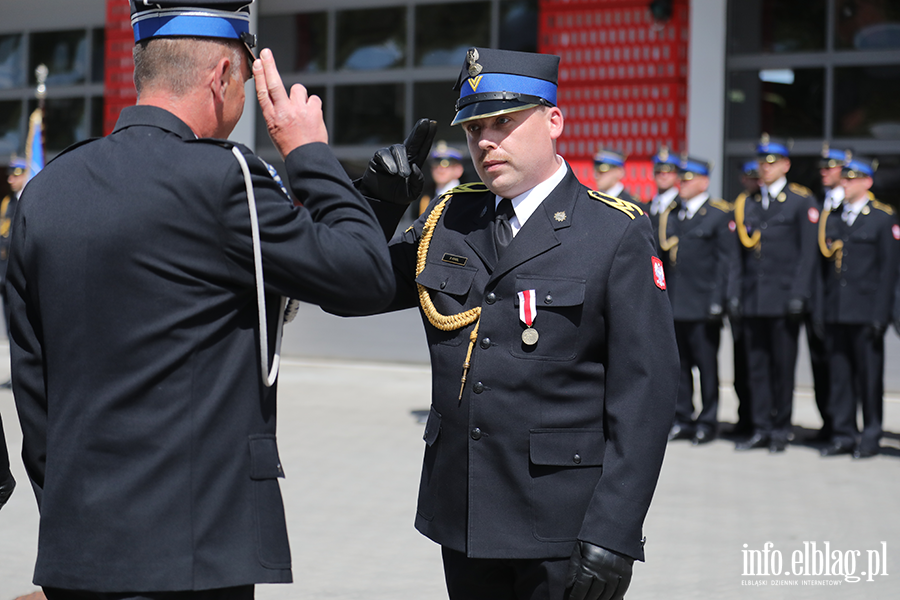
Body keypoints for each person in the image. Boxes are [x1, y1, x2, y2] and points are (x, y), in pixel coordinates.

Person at [7, 1, 394, 597]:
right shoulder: (226, 179)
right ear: (221, 77)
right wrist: (308, 152)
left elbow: (32, 382)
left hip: (80, 549)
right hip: (195, 555)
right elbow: (364, 274)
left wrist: (76, 513)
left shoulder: (46, 189)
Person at [353, 46, 679, 600]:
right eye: (476, 126)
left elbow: (645, 395)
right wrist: (376, 206)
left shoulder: (614, 232)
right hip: (464, 512)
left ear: (554, 120)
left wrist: (615, 531)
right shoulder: (450, 217)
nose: (485, 141)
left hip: (560, 526)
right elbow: (352, 289)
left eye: (504, 121)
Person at [733, 134, 818, 453]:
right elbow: (740, 256)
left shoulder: (800, 201)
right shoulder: (750, 202)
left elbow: (807, 254)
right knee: (756, 367)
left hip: (784, 300)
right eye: (761, 163)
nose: (765, 169)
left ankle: (781, 428)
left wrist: (799, 293)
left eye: (771, 163)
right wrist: (737, 294)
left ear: (785, 165)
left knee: (782, 367)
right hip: (755, 297)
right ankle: (760, 427)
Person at [817, 154, 899, 458]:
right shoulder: (835, 216)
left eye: (852, 180)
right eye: (844, 179)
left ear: (867, 182)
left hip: (866, 313)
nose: (846, 184)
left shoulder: (882, 217)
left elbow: (889, 271)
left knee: (868, 378)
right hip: (838, 310)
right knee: (840, 377)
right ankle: (843, 434)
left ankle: (871, 434)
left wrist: (881, 315)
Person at [659, 156, 735, 445]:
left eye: (689, 179)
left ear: (704, 182)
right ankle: (683, 417)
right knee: (679, 366)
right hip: (676, 304)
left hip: (704, 306)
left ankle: (708, 419)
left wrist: (719, 301)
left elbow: (725, 264)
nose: (683, 183)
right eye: (682, 179)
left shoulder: (717, 214)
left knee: (707, 367)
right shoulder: (674, 213)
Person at [727, 160, 759, 437]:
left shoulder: (763, 205)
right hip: (746, 299)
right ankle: (747, 420)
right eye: (747, 177)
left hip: (771, 299)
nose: (752, 181)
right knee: (744, 367)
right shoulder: (739, 207)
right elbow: (733, 260)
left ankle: (770, 424)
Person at [0, 156, 28, 389]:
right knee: (10, 328)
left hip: (18, 275)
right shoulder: (8, 203)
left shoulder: (27, 202)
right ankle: (14, 373)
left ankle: (22, 374)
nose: (10, 179)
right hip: (3, 274)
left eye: (15, 175)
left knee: (20, 328)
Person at [417, 140, 466, 215]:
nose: (440, 170)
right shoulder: (427, 198)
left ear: (458, 170)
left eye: (446, 165)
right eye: (436, 165)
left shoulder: (466, 196)